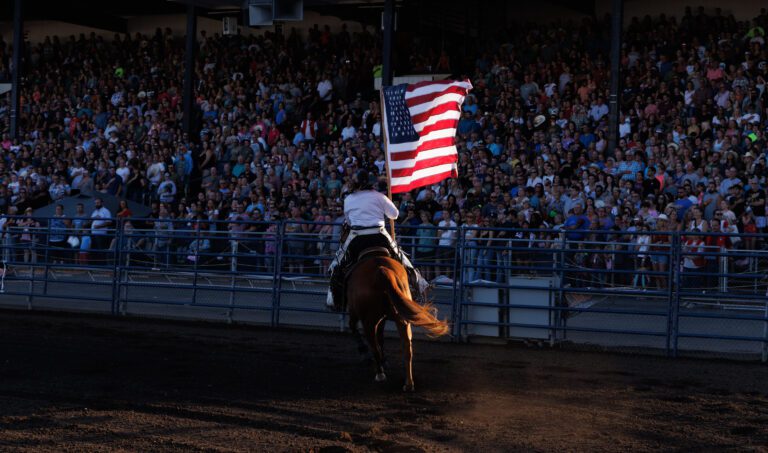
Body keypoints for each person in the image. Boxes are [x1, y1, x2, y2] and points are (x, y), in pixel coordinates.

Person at [326, 170, 427, 310]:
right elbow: (395, 215)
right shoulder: (380, 197)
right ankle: (420, 284)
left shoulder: (348, 199)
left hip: (357, 236)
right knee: (400, 255)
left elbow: (348, 221)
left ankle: (332, 298)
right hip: (379, 234)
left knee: (337, 263)